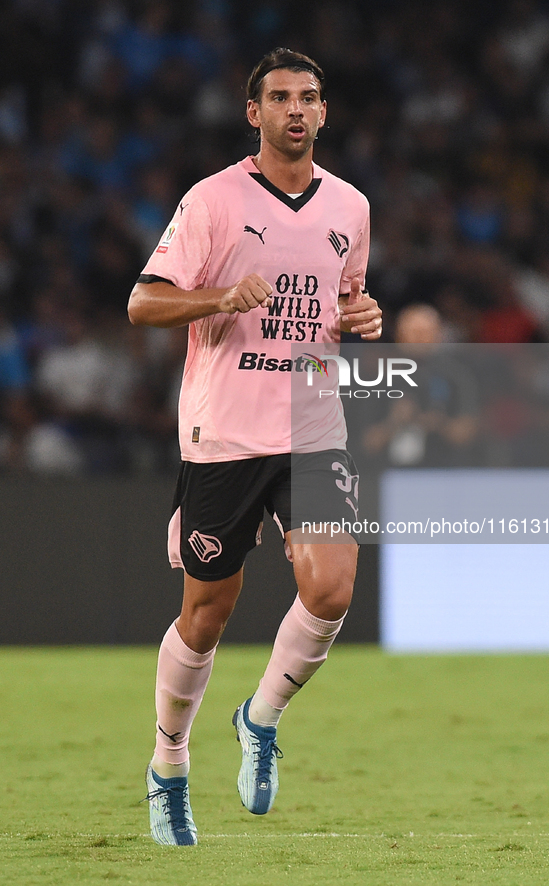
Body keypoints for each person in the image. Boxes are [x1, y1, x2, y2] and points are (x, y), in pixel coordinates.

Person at [127, 47, 382, 846]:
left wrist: (362, 318)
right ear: (254, 114)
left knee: (332, 586)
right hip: (226, 434)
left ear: (324, 112)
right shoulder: (211, 200)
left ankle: (259, 717)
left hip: (310, 427)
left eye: (308, 97)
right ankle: (168, 762)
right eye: (279, 98)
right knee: (206, 614)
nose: (295, 110)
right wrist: (218, 295)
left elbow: (341, 305)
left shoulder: (350, 207)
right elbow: (142, 303)